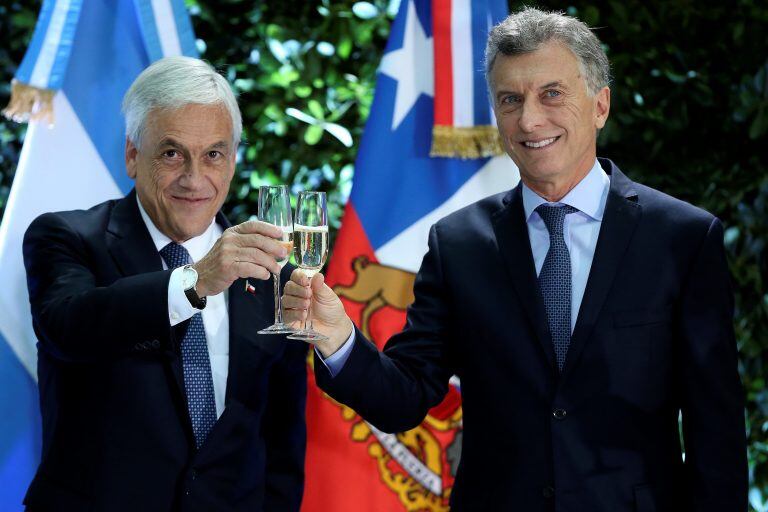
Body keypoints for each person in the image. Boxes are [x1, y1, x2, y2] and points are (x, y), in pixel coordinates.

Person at [283, 7, 747, 511]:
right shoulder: (458, 244)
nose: (529, 119)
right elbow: (407, 394)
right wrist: (336, 338)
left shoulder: (682, 238)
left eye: (551, 93)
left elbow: (715, 431)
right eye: (510, 100)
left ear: (600, 105)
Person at [22, 56, 307, 512]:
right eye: (172, 153)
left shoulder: (273, 273)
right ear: (133, 155)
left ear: (232, 162)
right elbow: (70, 327)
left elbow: (283, 437)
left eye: (213, 154)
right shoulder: (67, 238)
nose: (194, 179)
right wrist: (195, 282)